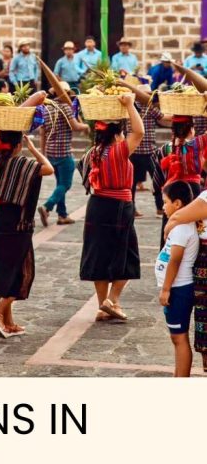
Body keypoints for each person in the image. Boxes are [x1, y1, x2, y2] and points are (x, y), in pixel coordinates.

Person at [0, 121, 53, 337]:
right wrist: (34, 149)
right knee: (23, 272)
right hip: (17, 222)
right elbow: (48, 168)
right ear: (18, 145)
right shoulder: (22, 163)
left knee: (5, 269)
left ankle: (8, 321)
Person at [78, 93, 144, 322]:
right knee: (126, 254)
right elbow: (140, 132)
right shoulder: (118, 151)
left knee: (99, 254)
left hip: (96, 206)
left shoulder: (92, 153)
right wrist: (129, 105)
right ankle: (112, 300)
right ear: (117, 134)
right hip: (118, 206)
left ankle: (101, 305)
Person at [156, 180, 199, 376]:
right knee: (177, 337)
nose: (163, 206)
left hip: (179, 288)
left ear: (178, 204)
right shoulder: (181, 225)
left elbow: (175, 259)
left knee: (179, 338)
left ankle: (181, 379)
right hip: (177, 287)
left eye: (165, 202)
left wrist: (166, 289)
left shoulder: (182, 228)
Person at [38, 85, 88, 225]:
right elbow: (76, 127)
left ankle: (62, 215)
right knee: (65, 184)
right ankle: (47, 206)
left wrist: (43, 154)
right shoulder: (65, 108)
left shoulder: (46, 109)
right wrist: (87, 126)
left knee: (60, 184)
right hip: (63, 152)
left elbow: (42, 133)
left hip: (51, 152)